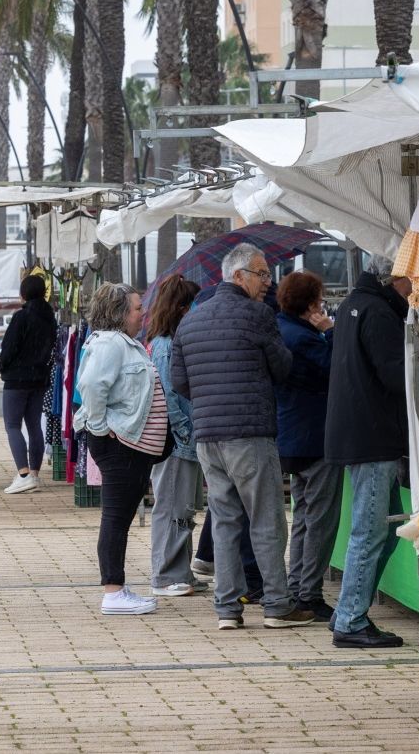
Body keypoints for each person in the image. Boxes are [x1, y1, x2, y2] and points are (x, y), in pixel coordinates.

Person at [171, 242, 316, 631]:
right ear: (238, 276)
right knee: (266, 520)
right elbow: (282, 367)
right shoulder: (258, 315)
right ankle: (278, 605)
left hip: (208, 435)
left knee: (224, 520)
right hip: (250, 432)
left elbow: (179, 380)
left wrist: (210, 399)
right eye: (262, 273)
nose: (268, 281)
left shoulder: (191, 321)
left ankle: (227, 609)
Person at [326, 258, 413, 648]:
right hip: (373, 437)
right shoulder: (378, 312)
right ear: (394, 278)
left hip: (359, 433)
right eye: (411, 279)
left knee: (386, 530)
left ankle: (349, 609)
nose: (414, 288)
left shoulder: (353, 304)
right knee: (370, 531)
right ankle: (350, 620)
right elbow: (395, 375)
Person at [73, 283, 169, 616]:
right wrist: (101, 427)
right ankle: (113, 592)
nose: (143, 313)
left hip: (130, 445)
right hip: (120, 445)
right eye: (138, 307)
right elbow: (91, 385)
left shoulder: (125, 344)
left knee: (120, 517)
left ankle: (117, 589)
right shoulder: (111, 344)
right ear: (120, 312)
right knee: (115, 518)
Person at [276, 271, 342, 621]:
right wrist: (330, 331)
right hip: (314, 437)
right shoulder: (306, 338)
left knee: (302, 515)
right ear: (312, 303)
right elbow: (338, 367)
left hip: (290, 436)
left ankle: (296, 586)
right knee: (320, 520)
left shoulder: (281, 329)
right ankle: (309, 594)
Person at [145, 275, 205, 597]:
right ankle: (166, 575)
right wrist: (184, 429)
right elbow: (167, 395)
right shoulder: (165, 346)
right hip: (177, 441)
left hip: (185, 438)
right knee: (172, 507)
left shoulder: (169, 343)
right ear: (182, 308)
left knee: (183, 508)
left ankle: (179, 570)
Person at [0, 273, 57, 494]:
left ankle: (23, 474)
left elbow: (9, 347)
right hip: (39, 378)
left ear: (23, 294)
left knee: (13, 425)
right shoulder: (49, 318)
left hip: (16, 379)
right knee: (34, 426)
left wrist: (3, 366)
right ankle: (34, 474)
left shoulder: (21, 317)